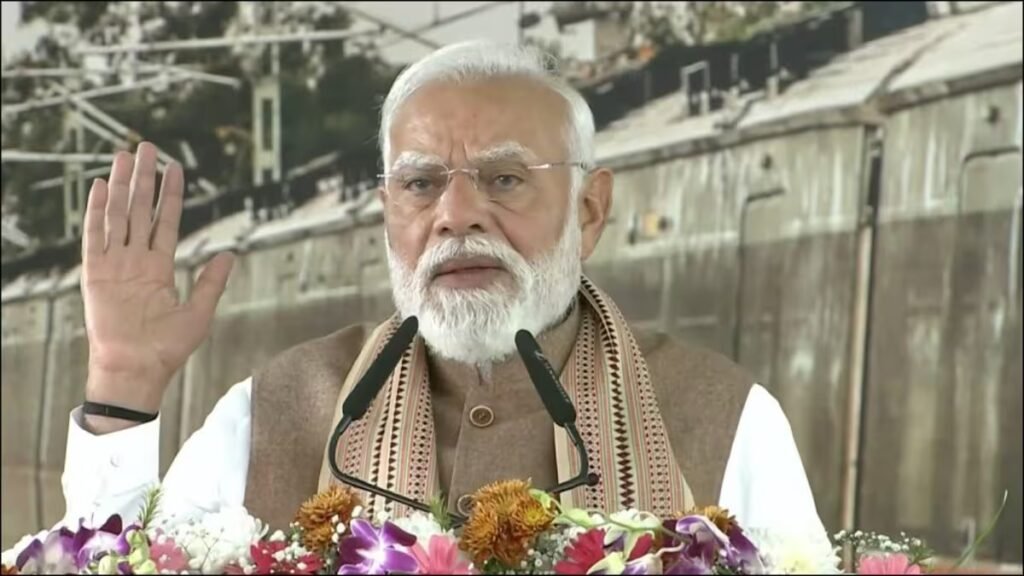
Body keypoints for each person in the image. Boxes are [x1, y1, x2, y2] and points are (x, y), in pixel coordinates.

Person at [12, 40, 825, 552]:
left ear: (590, 208)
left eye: (504, 178)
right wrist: (122, 385)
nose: (455, 214)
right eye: (420, 183)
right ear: (387, 213)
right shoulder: (276, 410)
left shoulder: (722, 418)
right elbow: (112, 561)